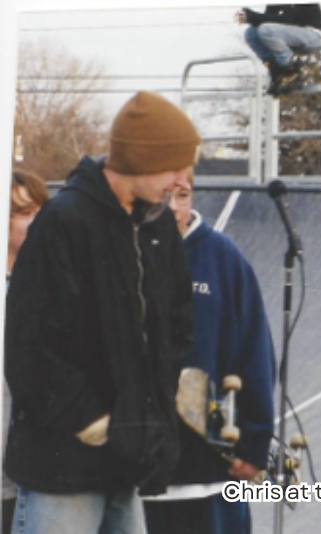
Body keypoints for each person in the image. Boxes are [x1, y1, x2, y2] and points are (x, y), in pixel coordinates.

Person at [4, 91, 199, 534]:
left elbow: (176, 327)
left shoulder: (158, 227)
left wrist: (151, 419)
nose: (180, 179)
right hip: (65, 461)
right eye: (173, 165)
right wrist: (93, 422)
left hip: (130, 456)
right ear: (139, 159)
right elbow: (28, 346)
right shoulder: (65, 222)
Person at [143, 171, 276, 534]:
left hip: (210, 472)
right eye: (163, 195)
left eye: (183, 195)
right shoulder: (122, 252)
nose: (173, 207)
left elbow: (256, 353)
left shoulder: (222, 257)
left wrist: (254, 443)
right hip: (140, 471)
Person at [3, 169, 49, 534]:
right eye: (24, 212)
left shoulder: (46, 284)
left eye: (39, 211)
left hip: (24, 466)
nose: (36, 223)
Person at [237, 3, 321, 96]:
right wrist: (251, 17)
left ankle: (291, 70)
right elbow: (267, 18)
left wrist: (253, 17)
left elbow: (288, 19)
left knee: (266, 30)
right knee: (251, 33)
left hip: (311, 34)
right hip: (291, 32)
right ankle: (275, 69)